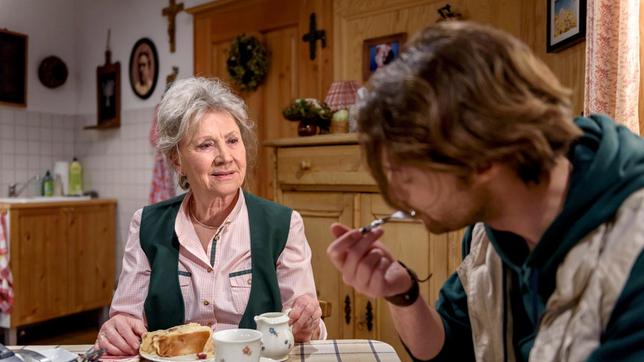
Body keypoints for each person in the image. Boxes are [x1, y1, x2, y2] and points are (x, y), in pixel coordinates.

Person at [327, 21, 644, 361]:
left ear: (481, 156)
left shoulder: (632, 250)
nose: (395, 195)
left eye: (403, 172)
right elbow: (454, 347)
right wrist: (402, 293)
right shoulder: (491, 227)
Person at [97, 77, 325, 356]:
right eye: (206, 145)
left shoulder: (283, 224)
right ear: (177, 160)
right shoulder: (146, 224)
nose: (225, 156)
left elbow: (305, 326)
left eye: (232, 140)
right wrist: (118, 327)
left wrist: (306, 322)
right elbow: (126, 319)